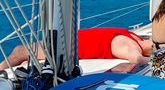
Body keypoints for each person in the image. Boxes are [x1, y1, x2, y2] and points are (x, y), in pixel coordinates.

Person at [0, 27, 153, 71]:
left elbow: (137, 59)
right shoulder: (136, 38)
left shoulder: (131, 47)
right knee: (21, 51)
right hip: (70, 39)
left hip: (68, 46)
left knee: (20, 52)